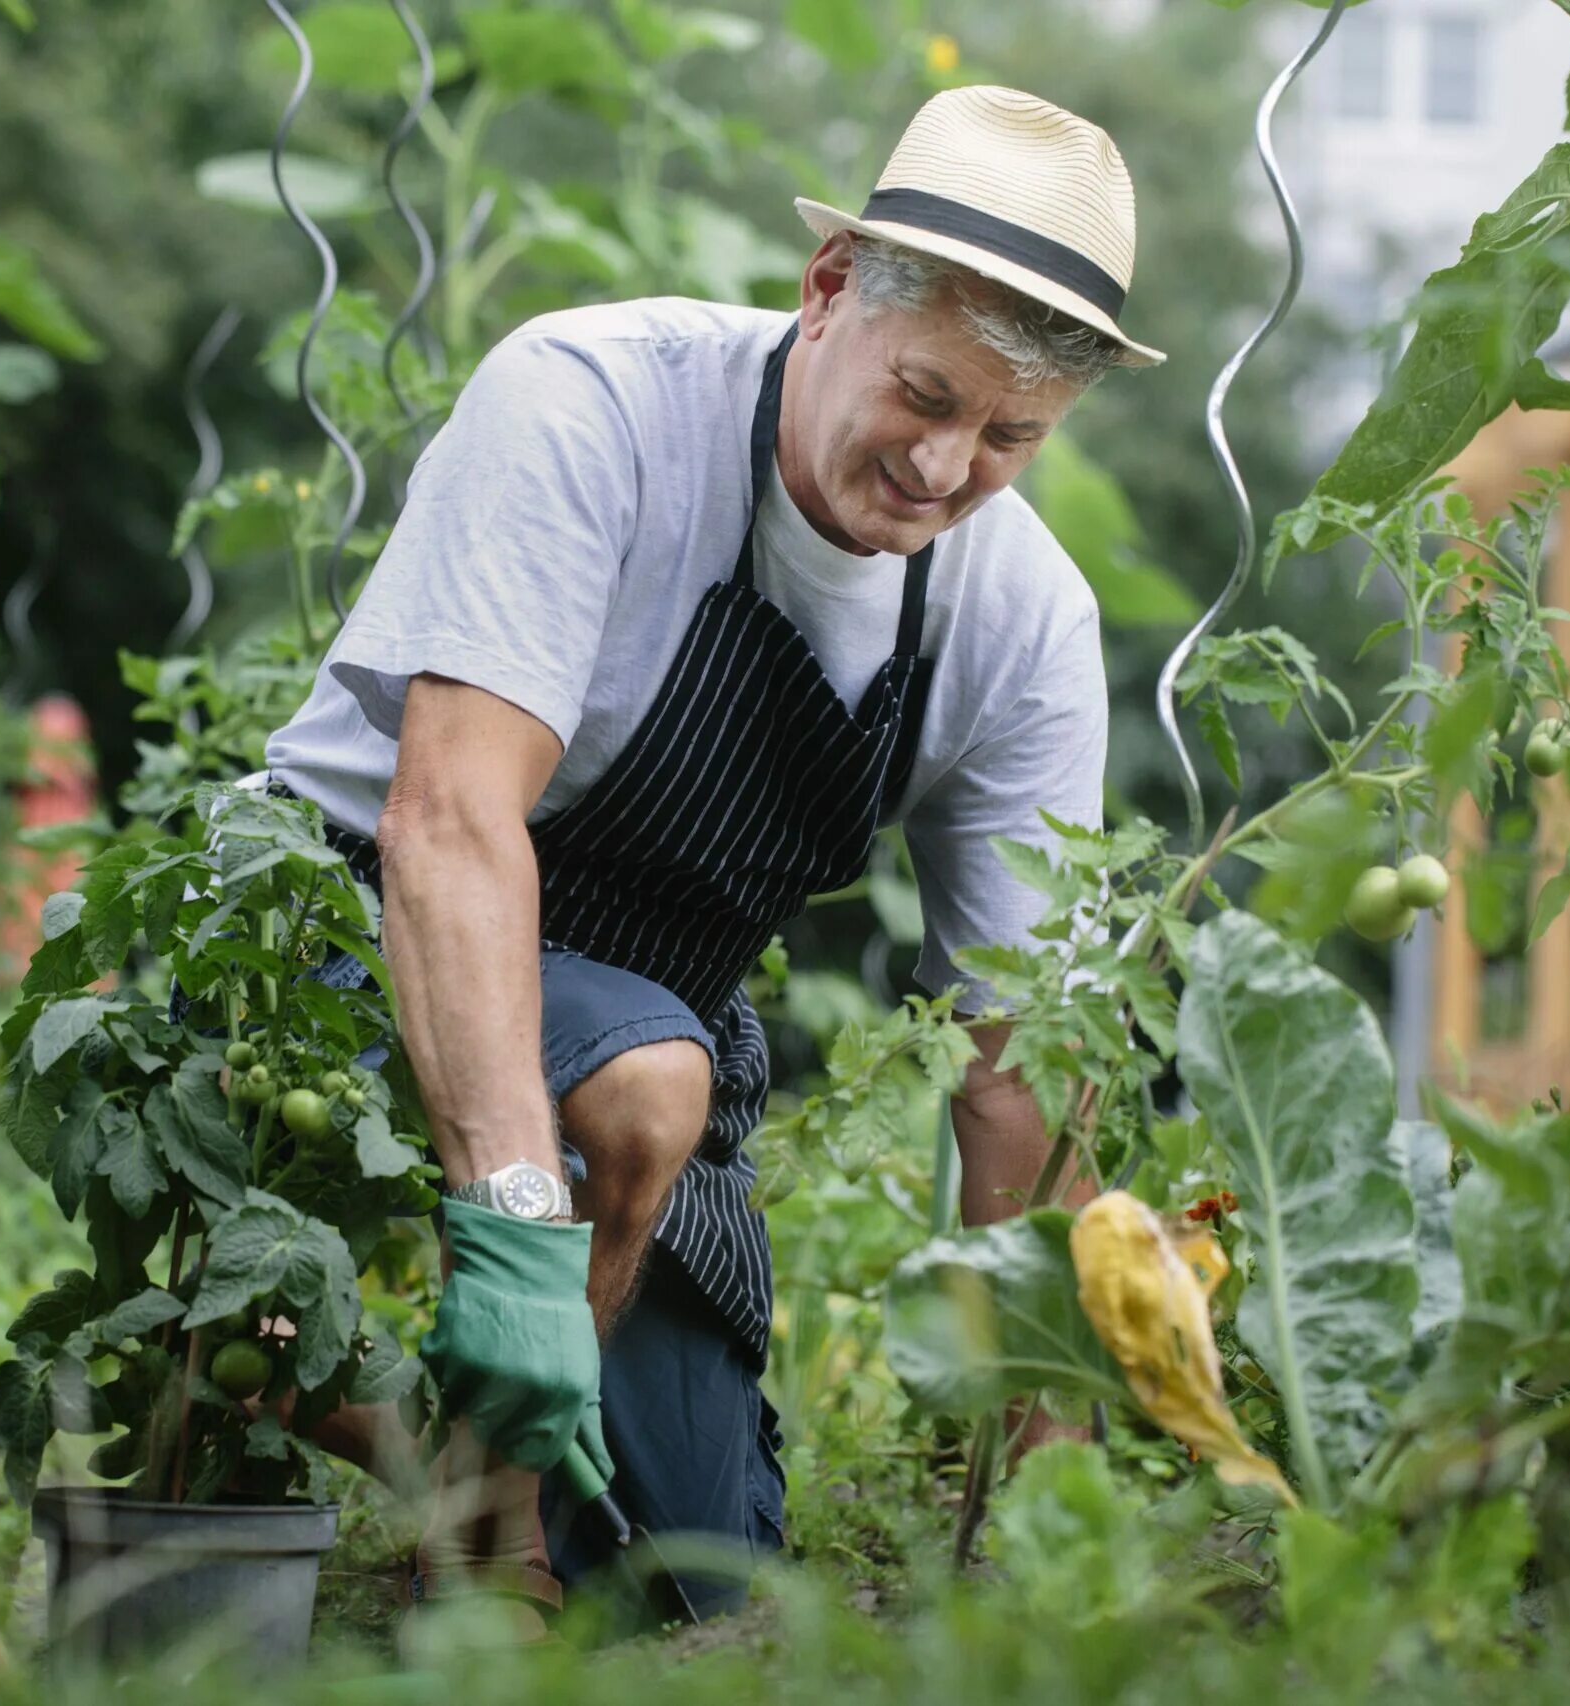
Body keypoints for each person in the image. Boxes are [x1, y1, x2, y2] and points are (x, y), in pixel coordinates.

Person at [255, 84, 1159, 1629]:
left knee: (690, 1574)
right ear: (829, 288)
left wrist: (1043, 1455)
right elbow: (449, 824)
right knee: (645, 1079)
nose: (946, 467)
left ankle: (416, 1444)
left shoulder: (1020, 620)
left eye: (1010, 436)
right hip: (340, 935)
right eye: (926, 395)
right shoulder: (594, 406)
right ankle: (466, 1537)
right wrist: (519, 1233)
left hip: (633, 1033)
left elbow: (1023, 1058)